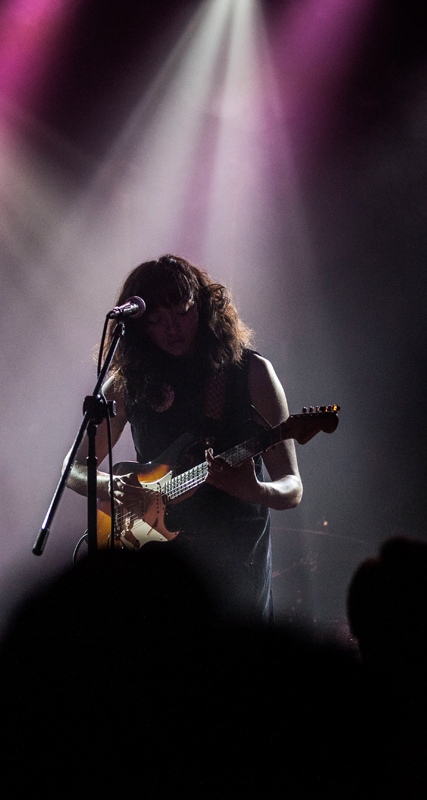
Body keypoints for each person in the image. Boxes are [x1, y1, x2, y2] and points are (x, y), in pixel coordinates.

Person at [67, 255, 302, 621]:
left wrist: (256, 491)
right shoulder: (128, 383)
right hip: (159, 558)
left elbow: (292, 486)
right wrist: (109, 486)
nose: (171, 329)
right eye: (157, 321)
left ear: (203, 307)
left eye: (181, 312)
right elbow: (74, 467)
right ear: (139, 327)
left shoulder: (252, 373)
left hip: (235, 561)